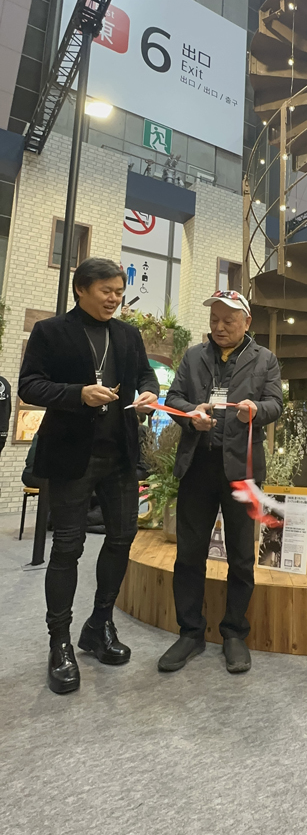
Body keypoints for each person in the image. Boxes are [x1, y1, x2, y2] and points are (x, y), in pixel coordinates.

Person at [19, 257, 159, 695]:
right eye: (107, 291)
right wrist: (77, 394)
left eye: (119, 291)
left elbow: (143, 373)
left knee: (121, 538)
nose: (115, 298)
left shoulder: (127, 334)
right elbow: (30, 385)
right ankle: (58, 641)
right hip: (70, 457)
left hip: (119, 454)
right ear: (81, 289)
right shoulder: (51, 332)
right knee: (68, 547)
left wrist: (150, 391)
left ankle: (99, 625)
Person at [158, 289, 283, 676]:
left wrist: (255, 411)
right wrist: (189, 413)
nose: (219, 326)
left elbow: (275, 403)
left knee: (242, 556)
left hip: (243, 470)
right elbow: (174, 396)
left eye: (229, 320)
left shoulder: (265, 360)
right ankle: (190, 632)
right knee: (189, 554)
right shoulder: (194, 355)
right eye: (214, 319)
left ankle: (234, 633)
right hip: (198, 465)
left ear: (247, 322)